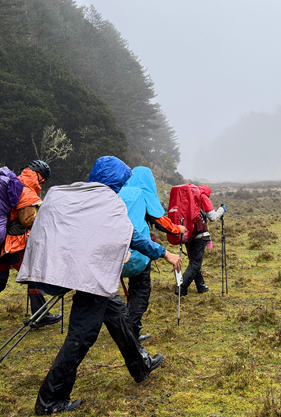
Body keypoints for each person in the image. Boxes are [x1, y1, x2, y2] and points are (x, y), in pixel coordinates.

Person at [27, 156, 183, 415]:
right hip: (92, 279)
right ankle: (50, 400)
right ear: (116, 180)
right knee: (81, 337)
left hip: (86, 272)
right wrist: (164, 253)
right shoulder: (108, 202)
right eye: (121, 181)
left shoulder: (84, 196)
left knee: (119, 315)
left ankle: (140, 366)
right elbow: (132, 236)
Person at [0, 160, 62, 332]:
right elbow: (27, 220)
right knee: (34, 276)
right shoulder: (25, 189)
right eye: (43, 180)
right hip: (14, 245)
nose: (43, 184)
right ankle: (41, 316)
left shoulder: (12, 184)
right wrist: (46, 224)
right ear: (40, 177)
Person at [119, 167, 184, 342]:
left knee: (112, 295)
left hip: (115, 254)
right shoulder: (143, 194)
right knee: (140, 291)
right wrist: (178, 229)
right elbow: (160, 222)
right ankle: (131, 332)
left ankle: (122, 325)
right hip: (139, 252)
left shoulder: (117, 192)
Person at [175, 185, 226, 297]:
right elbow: (213, 217)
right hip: (200, 236)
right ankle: (181, 287)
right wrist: (222, 210)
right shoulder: (202, 198)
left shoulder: (188, 198)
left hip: (187, 234)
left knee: (194, 261)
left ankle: (201, 286)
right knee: (195, 263)